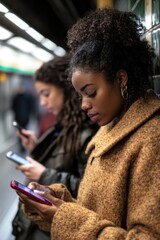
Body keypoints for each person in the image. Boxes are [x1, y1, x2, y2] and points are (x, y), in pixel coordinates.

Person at [17, 8, 160, 240]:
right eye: (80, 96)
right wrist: (57, 204)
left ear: (121, 79)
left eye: (90, 92)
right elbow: (96, 211)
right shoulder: (110, 129)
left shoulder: (153, 139)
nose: (84, 105)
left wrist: (65, 217)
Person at [12, 55, 98, 240]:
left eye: (46, 94)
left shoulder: (88, 133)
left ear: (67, 91)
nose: (42, 102)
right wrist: (37, 146)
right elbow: (60, 159)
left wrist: (43, 175)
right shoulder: (63, 125)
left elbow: (89, 190)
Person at [11, 84, 32, 153]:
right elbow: (13, 107)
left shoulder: (26, 97)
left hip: (25, 119)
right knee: (19, 134)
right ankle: (21, 147)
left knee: (25, 133)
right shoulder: (16, 97)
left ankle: (24, 146)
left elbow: (30, 106)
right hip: (18, 119)